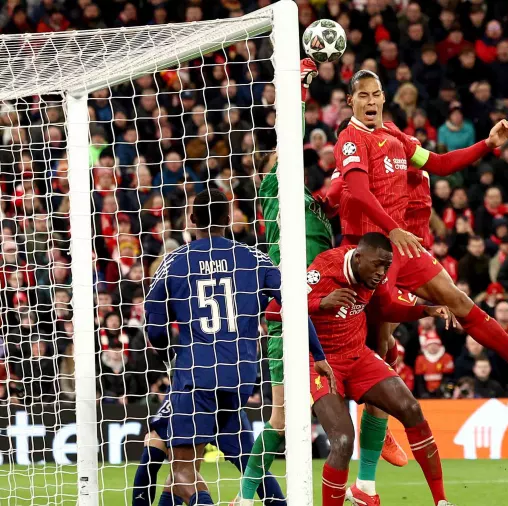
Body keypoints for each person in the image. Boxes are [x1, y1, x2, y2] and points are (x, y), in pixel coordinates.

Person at [333, 70, 508, 387]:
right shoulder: (350, 140)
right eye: (363, 95)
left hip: (401, 246)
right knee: (380, 341)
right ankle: (377, 429)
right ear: (350, 101)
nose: (371, 101)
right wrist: (393, 230)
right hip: (367, 250)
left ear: (384, 98)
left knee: (458, 300)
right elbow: (360, 192)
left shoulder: (394, 135)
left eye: (375, 94)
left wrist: (487, 143)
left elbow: (440, 164)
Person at [240, 59, 406, 506]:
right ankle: (245, 494)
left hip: (335, 320)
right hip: (290, 322)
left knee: (385, 357)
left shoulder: (318, 209)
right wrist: (300, 88)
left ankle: (368, 475)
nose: (292, 163)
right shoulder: (274, 197)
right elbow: (284, 141)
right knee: (280, 418)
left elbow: (349, 185)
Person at [141, 190, 321, 506]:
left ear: (191, 220)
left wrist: (171, 351)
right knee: (246, 458)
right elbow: (294, 304)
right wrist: (318, 355)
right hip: (240, 375)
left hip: (195, 373)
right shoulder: (255, 258)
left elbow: (154, 329)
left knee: (182, 472)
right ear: (228, 219)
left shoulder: (174, 261)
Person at [303, 232, 455, 506]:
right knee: (342, 441)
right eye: (377, 265)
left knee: (411, 409)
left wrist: (426, 310)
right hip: (321, 362)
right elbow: (275, 309)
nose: (382, 273)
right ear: (358, 257)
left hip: (357, 355)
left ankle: (442, 502)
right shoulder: (324, 268)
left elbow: (387, 308)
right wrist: (321, 303)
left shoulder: (375, 271)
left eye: (387, 266)